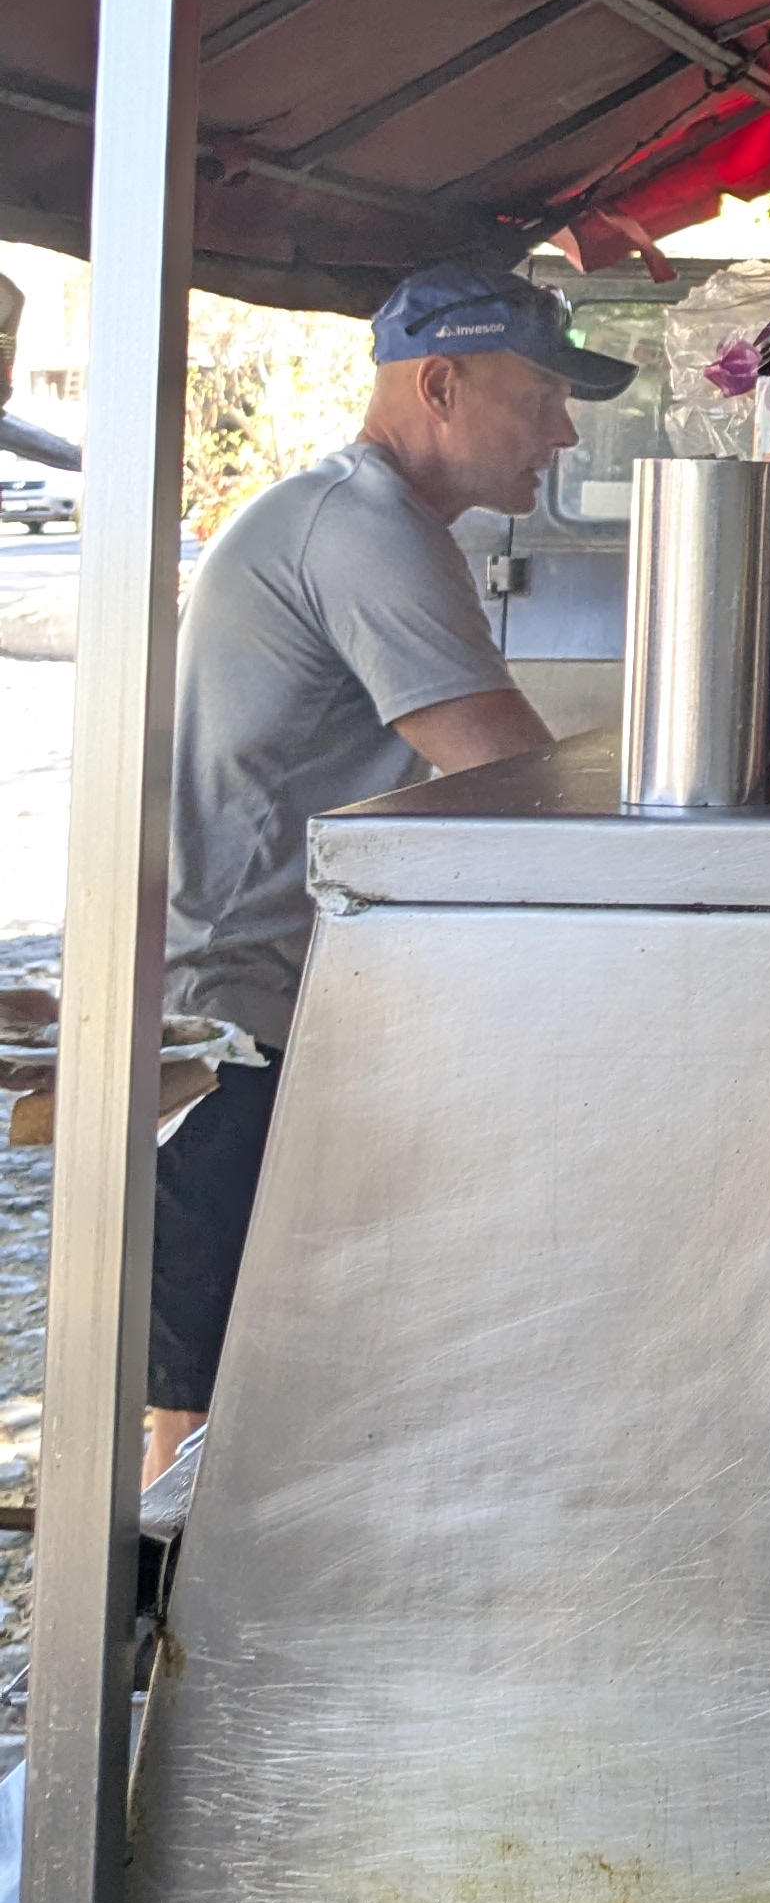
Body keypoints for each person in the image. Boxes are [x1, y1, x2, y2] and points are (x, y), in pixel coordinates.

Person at [148, 266, 629, 1481]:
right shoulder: (361, 527)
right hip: (238, 1039)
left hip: (284, 1014)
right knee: (203, 1424)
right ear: (442, 383)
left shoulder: (372, 520)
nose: (564, 433)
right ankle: (151, 1660)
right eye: (543, 399)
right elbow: (505, 778)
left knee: (265, 1399)